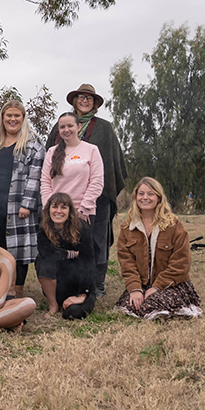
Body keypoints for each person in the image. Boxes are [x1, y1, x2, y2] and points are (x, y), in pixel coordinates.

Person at [47, 83, 128, 298]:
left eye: (89, 98)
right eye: (81, 97)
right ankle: (67, 283)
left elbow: (112, 161)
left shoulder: (104, 128)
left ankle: (97, 284)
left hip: (97, 197)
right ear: (75, 101)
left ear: (95, 103)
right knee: (64, 239)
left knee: (97, 241)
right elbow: (48, 159)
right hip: (63, 197)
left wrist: (95, 195)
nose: (85, 100)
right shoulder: (61, 126)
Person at [0, 100, 45, 297]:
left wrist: (27, 204)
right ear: (2, 118)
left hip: (19, 206)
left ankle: (17, 291)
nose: (12, 119)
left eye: (17, 115)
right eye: (9, 115)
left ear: (23, 118)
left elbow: (36, 176)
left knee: (18, 250)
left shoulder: (33, 144)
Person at [114, 177, 202, 320]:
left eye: (150, 194)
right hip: (142, 285)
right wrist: (135, 289)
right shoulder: (127, 227)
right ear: (135, 197)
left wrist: (157, 287)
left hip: (170, 284)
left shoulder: (173, 224)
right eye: (141, 194)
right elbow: (127, 263)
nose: (145, 197)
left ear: (159, 198)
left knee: (152, 303)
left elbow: (181, 262)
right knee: (131, 304)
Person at [36, 193, 96, 319]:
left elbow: (88, 261)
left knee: (73, 314)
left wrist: (82, 295)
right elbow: (47, 253)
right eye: (55, 207)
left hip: (78, 283)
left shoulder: (82, 228)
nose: (59, 211)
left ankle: (79, 298)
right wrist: (71, 254)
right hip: (58, 281)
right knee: (42, 260)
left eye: (63, 207)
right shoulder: (43, 229)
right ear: (48, 210)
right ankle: (53, 304)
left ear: (70, 211)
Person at [41, 112, 104, 220]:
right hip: (56, 214)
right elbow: (45, 182)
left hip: (82, 214)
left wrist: (84, 208)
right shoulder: (51, 152)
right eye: (62, 127)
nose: (66, 130)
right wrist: (51, 207)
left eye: (70, 126)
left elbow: (96, 182)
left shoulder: (92, 150)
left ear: (79, 127)